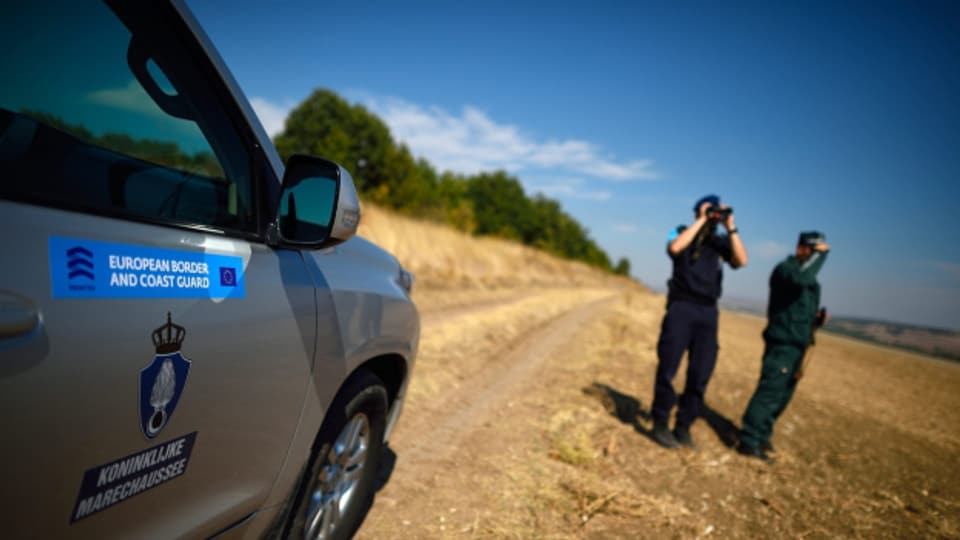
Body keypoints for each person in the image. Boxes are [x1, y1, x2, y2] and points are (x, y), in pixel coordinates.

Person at [651, 194, 748, 449]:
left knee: (701, 372)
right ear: (697, 211)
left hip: (708, 312)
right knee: (669, 365)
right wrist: (702, 219)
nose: (713, 215)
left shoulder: (720, 242)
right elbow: (675, 248)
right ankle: (660, 422)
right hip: (682, 306)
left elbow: (741, 260)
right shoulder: (681, 231)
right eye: (709, 210)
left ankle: (683, 426)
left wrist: (731, 226)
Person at [738, 231, 831, 461]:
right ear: (801, 248)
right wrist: (821, 257)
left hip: (799, 346)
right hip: (782, 344)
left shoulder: (811, 281)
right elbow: (801, 280)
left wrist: (816, 319)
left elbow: (801, 301)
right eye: (814, 251)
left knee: (783, 396)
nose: (815, 257)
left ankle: (762, 436)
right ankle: (748, 441)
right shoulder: (785, 270)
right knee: (769, 392)